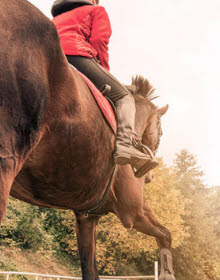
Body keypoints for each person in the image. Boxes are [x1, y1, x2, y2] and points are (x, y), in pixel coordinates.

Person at [51, 0, 158, 177]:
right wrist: (103, 70)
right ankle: (125, 145)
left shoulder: (57, 19)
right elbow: (100, 41)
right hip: (77, 55)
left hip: (53, 58)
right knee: (125, 98)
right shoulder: (96, 11)